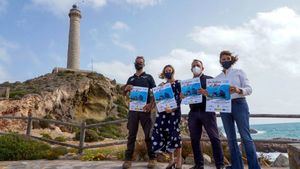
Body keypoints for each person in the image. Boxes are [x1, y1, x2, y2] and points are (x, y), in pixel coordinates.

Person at [208, 51, 261, 169]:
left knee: (246, 137)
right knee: (231, 138)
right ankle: (237, 166)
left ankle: (254, 167)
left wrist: (238, 90)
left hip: (239, 104)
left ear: (232, 60)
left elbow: (249, 89)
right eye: (223, 59)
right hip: (224, 107)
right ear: (220, 61)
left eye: (228, 58)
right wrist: (206, 93)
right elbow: (213, 96)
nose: (226, 60)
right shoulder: (217, 78)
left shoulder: (239, 72)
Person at [187, 59, 225, 169]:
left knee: (214, 138)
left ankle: (220, 165)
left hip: (207, 111)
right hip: (193, 112)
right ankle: (199, 164)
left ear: (202, 68)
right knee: (194, 139)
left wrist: (206, 93)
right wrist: (183, 96)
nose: (195, 67)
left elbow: (217, 95)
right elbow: (185, 98)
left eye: (198, 65)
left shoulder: (209, 80)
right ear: (191, 69)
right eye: (193, 66)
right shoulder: (188, 83)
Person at [122, 56, 157, 169]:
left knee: (148, 135)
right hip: (133, 111)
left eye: (141, 62)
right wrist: (126, 88)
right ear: (134, 64)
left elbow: (155, 93)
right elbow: (124, 93)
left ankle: (152, 159)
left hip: (145, 110)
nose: (139, 64)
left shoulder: (149, 77)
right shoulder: (130, 79)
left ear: (144, 64)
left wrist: (150, 105)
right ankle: (127, 160)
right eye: (137, 63)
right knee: (131, 135)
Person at [151, 65, 182, 169]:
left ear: (173, 71)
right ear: (164, 73)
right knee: (166, 136)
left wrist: (173, 109)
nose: (168, 72)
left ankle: (179, 163)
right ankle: (171, 161)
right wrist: (158, 90)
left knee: (175, 136)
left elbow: (180, 98)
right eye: (166, 71)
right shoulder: (162, 85)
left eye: (170, 70)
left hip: (174, 113)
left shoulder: (178, 83)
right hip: (163, 114)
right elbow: (158, 99)